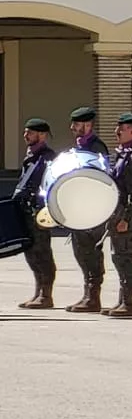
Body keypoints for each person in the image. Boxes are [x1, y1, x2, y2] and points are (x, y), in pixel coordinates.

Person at [103, 113, 132, 318]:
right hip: (118, 213)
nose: (117, 132)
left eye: (121, 129)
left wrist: (127, 218)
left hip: (126, 215)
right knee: (118, 257)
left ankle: (129, 303)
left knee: (126, 258)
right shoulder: (124, 154)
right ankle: (122, 301)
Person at [64, 107, 111, 313]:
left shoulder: (96, 147)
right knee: (80, 250)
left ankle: (93, 297)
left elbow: (101, 175)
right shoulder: (79, 147)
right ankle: (88, 295)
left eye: (77, 124)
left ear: (88, 125)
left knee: (91, 251)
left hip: (93, 207)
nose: (72, 128)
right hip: (80, 206)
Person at [13, 118, 57, 309]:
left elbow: (50, 186)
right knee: (31, 252)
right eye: (25, 132)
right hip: (27, 210)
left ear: (42, 135)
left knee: (43, 252)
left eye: (30, 132)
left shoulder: (47, 157)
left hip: (40, 211)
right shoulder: (31, 155)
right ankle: (38, 291)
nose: (25, 135)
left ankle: (46, 295)